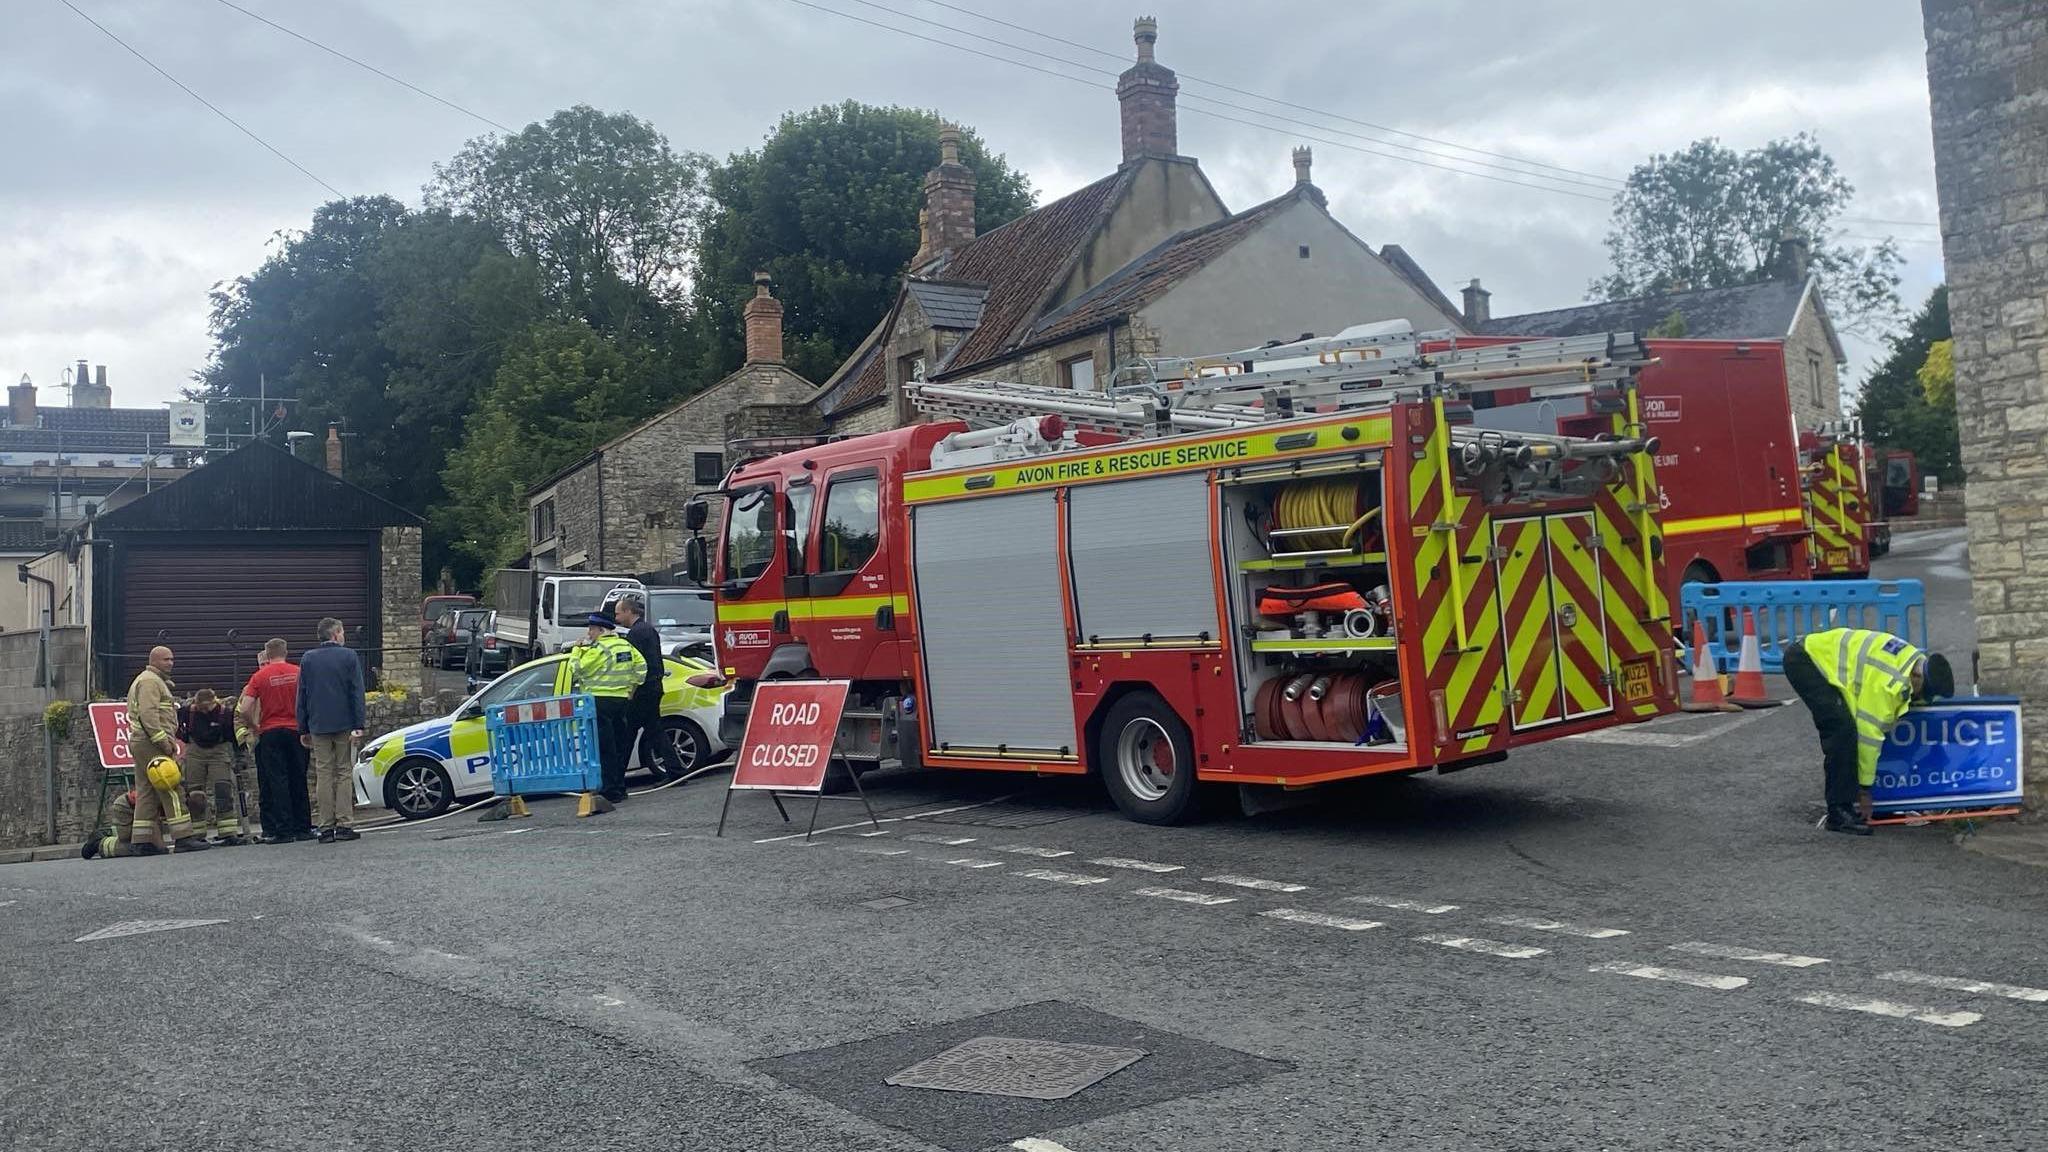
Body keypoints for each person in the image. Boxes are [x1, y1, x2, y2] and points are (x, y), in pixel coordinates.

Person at [1783, 626, 1954, 836]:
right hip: (1807, 661)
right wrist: (1864, 790)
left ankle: (1878, 805)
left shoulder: (1915, 662)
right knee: (1841, 731)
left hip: (1831, 660)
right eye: (1923, 694)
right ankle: (1838, 812)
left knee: (1853, 727)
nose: (1921, 700)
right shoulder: (1886, 685)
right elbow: (1868, 737)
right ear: (1917, 677)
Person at [125, 647, 208, 852]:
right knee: (170, 786)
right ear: (154, 661)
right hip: (151, 742)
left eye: (172, 659)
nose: (171, 663)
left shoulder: (149, 680)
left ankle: (142, 842)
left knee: (146, 790)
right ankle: (183, 837)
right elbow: (148, 714)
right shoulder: (150, 681)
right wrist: (163, 742)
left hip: (141, 742)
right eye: (166, 660)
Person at [297, 617, 365, 844]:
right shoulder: (348, 656)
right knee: (344, 771)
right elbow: (356, 692)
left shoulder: (308, 659)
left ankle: (325, 827)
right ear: (335, 634)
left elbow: (302, 695)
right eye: (342, 631)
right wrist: (359, 724)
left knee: (323, 773)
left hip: (318, 723)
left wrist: (303, 726)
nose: (344, 635)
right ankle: (345, 823)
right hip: (344, 722)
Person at [239, 638, 315, 844]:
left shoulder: (259, 677)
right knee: (298, 778)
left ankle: (283, 829)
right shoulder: (298, 672)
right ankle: (303, 827)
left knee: (277, 780)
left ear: (267, 653)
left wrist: (254, 726)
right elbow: (310, 700)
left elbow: (245, 707)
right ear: (285, 652)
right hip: (296, 730)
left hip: (270, 732)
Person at [571, 609, 646, 805]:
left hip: (600, 702)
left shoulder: (598, 649)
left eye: (592, 630)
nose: (589, 634)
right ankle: (620, 788)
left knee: (605, 749)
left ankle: (610, 790)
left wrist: (577, 650)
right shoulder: (626, 646)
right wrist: (631, 688)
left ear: (602, 630)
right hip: (621, 701)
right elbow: (641, 667)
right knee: (619, 746)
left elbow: (577, 669)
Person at [613, 592, 686, 783]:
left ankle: (617, 779)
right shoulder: (647, 630)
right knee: (651, 730)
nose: (616, 618)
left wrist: (631, 690)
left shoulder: (636, 634)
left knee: (631, 733)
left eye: (618, 613)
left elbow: (636, 666)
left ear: (629, 611)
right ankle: (675, 771)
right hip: (651, 688)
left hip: (643, 691)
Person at [177, 688, 250, 845]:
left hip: (219, 751)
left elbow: (235, 735)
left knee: (223, 790)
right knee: (195, 795)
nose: (203, 711)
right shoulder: (187, 712)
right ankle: (197, 834)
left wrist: (240, 757)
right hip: (194, 753)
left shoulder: (225, 713)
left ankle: (228, 833)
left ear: (214, 702)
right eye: (200, 708)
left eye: (206, 708)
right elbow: (174, 726)